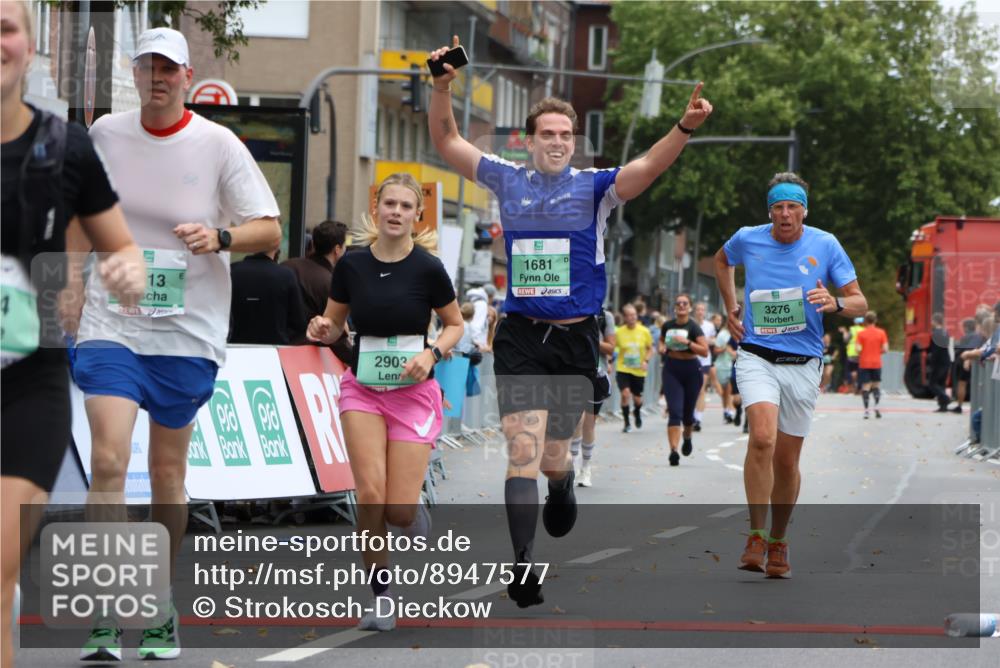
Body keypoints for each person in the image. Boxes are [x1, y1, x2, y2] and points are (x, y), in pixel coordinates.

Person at [428, 34, 712, 607]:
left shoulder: (595, 187)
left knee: (554, 457)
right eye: (547, 135)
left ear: (573, 142)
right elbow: (448, 139)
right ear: (529, 140)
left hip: (577, 337)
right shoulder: (508, 179)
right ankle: (524, 564)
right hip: (522, 336)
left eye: (565, 135)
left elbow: (647, 168)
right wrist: (440, 85)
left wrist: (682, 128)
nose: (557, 142)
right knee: (522, 451)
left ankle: (562, 486)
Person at [68, 27, 282, 661]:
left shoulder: (218, 144)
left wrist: (218, 238)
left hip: (187, 328)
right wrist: (72, 287)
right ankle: (106, 611)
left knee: (167, 473)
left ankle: (158, 601)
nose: (157, 77)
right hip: (113, 320)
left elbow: (268, 229)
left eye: (169, 68)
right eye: (147, 66)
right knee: (107, 461)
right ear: (133, 74)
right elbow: (85, 215)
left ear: (187, 77)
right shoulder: (106, 134)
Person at [0, 4, 144, 665]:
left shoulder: (66, 148)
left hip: (27, 384)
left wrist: (123, 271)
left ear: (32, 45)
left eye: (6, 27)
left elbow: (124, 249)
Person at [307, 172, 463, 631]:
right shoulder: (351, 265)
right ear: (376, 209)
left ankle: (412, 515)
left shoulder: (428, 268)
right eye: (388, 203)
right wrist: (322, 329)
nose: (395, 212)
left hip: (414, 393)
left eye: (405, 206)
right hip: (363, 388)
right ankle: (381, 597)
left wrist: (431, 352)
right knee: (370, 497)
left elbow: (453, 324)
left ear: (417, 216)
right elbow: (334, 324)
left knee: (398, 510)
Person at [714, 172, 867, 579]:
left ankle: (779, 540)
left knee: (787, 460)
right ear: (770, 212)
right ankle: (756, 535)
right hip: (756, 355)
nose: (785, 214)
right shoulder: (749, 237)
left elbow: (860, 302)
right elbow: (721, 259)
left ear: (804, 210)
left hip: (803, 363)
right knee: (762, 438)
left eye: (792, 206)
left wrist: (834, 302)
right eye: (778, 207)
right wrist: (731, 307)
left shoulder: (825, 244)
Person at [658, 294, 708, 465]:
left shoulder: (694, 327)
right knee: (675, 412)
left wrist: (687, 342)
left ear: (690, 307)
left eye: (684, 303)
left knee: (687, 416)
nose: (681, 305)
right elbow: (661, 343)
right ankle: (673, 451)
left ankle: (687, 437)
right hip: (672, 369)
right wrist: (662, 348)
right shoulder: (667, 325)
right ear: (675, 307)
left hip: (691, 371)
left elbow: (704, 351)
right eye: (678, 303)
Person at [570, 306, 616, 487]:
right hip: (573, 372)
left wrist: (589, 339)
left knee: (589, 423)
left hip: (596, 373)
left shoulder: (605, 316)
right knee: (576, 420)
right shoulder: (571, 310)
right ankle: (571, 466)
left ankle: (586, 469)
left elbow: (611, 348)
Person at [229, 248, 307, 344]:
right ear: (277, 246)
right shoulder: (286, 275)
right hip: (275, 351)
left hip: (234, 350)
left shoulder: (232, 271)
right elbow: (299, 324)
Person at [614, 304, 654, 433]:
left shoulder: (644, 331)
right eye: (629, 315)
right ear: (625, 317)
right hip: (623, 368)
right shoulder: (619, 332)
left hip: (638, 370)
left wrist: (646, 361)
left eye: (634, 315)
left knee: (637, 399)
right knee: (625, 394)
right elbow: (613, 348)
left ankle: (637, 412)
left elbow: (650, 349)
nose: (632, 317)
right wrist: (609, 361)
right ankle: (626, 423)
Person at [854, 311, 889, 419]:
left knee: (865, 387)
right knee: (876, 386)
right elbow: (885, 349)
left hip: (864, 363)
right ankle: (877, 407)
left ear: (865, 321)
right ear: (875, 320)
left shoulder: (861, 334)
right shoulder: (881, 332)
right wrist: (877, 352)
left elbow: (858, 349)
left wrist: (863, 352)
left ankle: (866, 411)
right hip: (876, 363)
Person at [951, 317, 986, 414]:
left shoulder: (966, 337)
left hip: (963, 360)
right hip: (972, 360)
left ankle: (959, 405)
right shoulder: (979, 337)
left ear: (966, 327)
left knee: (962, 384)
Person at [692, 301, 716, 430]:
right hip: (691, 360)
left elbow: (713, 340)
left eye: (702, 310)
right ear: (694, 311)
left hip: (705, 361)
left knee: (701, 389)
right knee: (691, 390)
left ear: (705, 312)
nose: (700, 312)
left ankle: (698, 419)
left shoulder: (709, 325)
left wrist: (705, 341)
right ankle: (690, 416)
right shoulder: (690, 324)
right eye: (698, 310)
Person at [928, 312, 953, 412]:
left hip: (938, 362)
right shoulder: (945, 332)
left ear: (935, 321)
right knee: (941, 383)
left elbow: (935, 350)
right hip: (946, 360)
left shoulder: (935, 333)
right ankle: (943, 406)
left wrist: (931, 361)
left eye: (932, 320)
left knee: (932, 384)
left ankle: (945, 398)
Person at [846, 316, 864, 393]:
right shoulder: (864, 330)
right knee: (859, 369)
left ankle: (854, 385)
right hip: (861, 351)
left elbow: (846, 339)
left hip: (852, 352)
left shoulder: (852, 329)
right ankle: (859, 386)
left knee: (853, 370)